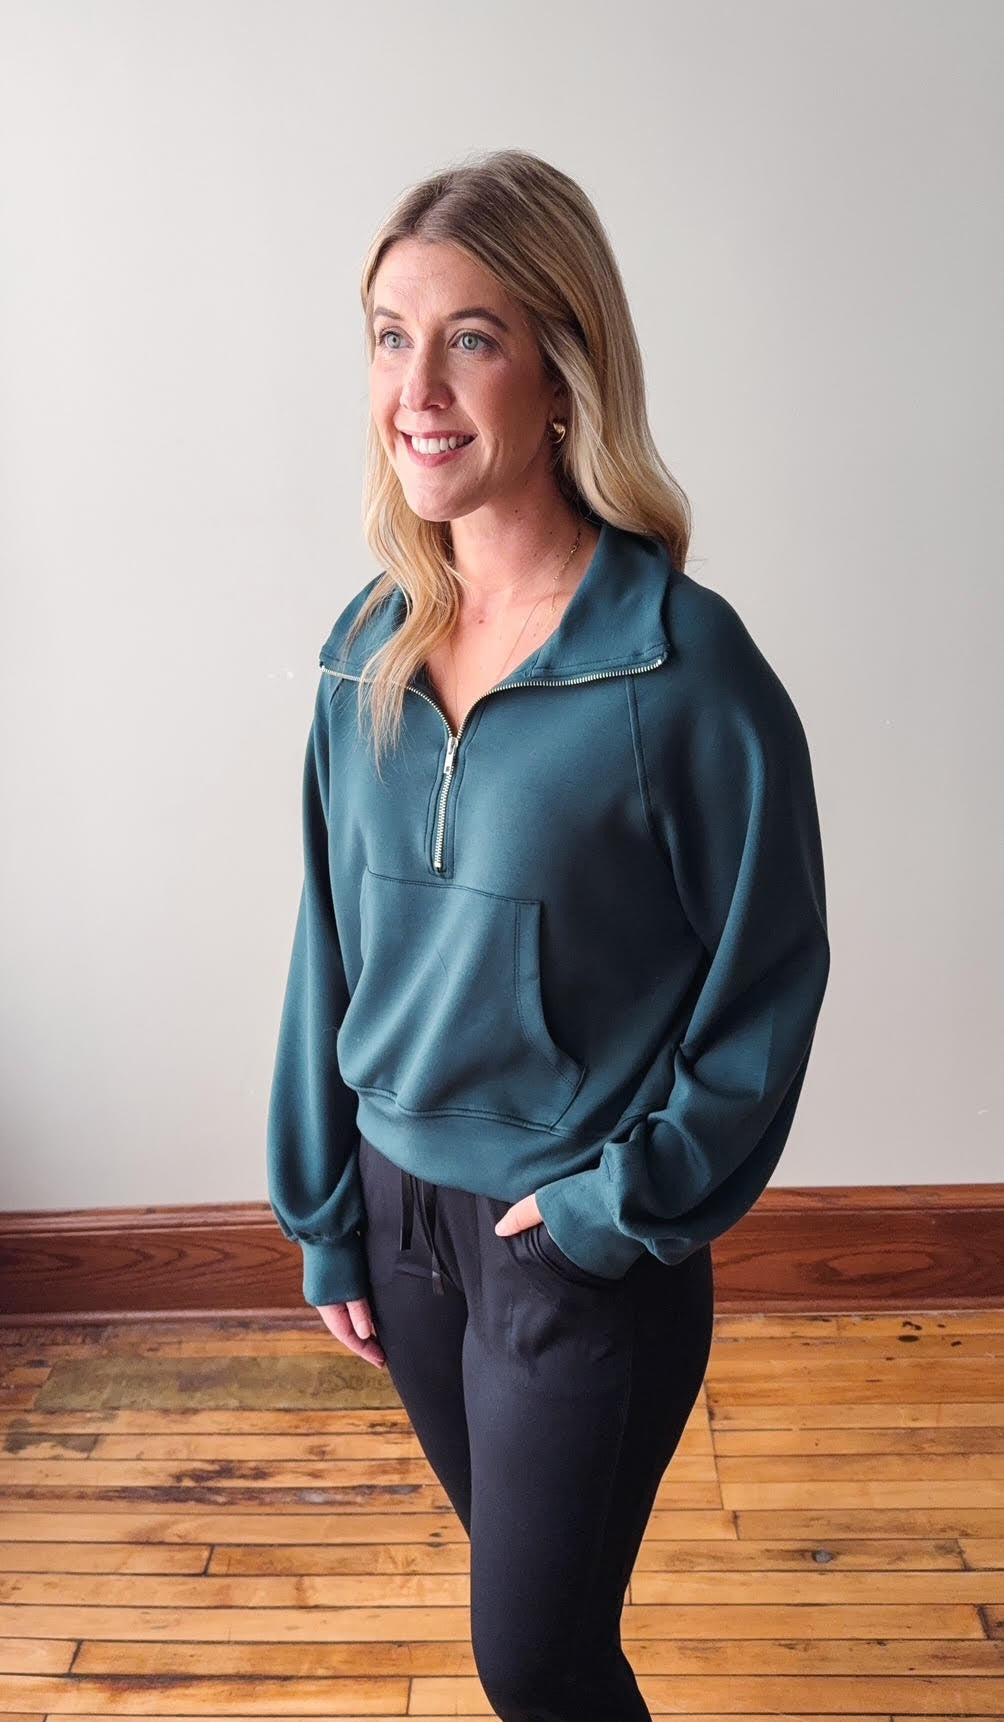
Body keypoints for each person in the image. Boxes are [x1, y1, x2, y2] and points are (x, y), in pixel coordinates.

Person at [266, 147, 830, 1722]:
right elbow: (327, 946)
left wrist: (606, 1210)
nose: (418, 390)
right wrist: (327, 1208)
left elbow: (769, 983)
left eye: (472, 338)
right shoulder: (366, 651)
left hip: (573, 1244)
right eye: (392, 337)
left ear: (564, 369)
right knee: (556, 1647)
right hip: (402, 1226)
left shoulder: (682, 669)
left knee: (531, 1660)